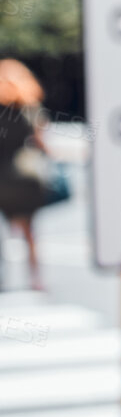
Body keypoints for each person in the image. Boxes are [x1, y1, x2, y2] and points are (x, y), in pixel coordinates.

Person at [0, 58, 51, 293]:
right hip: (26, 177)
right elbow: (43, 143)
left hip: (2, 176)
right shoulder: (31, 108)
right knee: (30, 232)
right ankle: (35, 279)